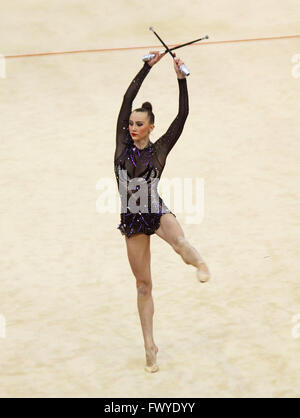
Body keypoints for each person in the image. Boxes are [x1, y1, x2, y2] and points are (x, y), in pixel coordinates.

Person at [114, 51, 210, 373]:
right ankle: (149, 346)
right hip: (132, 221)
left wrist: (181, 80)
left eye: (139, 124)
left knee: (181, 244)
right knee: (143, 285)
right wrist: (146, 67)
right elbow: (127, 99)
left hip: (154, 210)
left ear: (151, 127)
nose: (132, 127)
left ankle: (199, 261)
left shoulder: (160, 149)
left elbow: (182, 116)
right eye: (130, 123)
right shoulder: (120, 146)